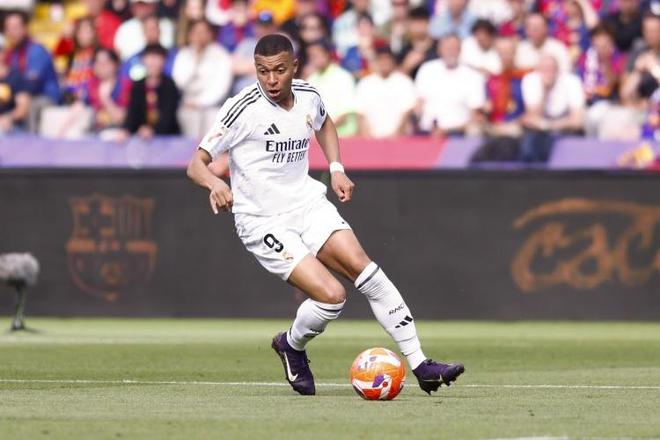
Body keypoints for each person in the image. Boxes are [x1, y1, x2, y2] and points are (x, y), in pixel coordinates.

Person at [186, 34, 464, 396]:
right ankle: (291, 344)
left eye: (279, 70)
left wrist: (336, 168)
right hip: (262, 219)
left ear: (294, 67)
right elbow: (196, 164)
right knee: (332, 296)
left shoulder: (308, 95)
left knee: (367, 271)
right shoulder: (242, 108)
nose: (271, 80)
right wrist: (214, 183)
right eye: (263, 71)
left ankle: (421, 365)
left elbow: (326, 124)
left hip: (307, 203)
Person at [415, 33, 485, 136]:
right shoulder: (427, 69)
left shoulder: (473, 76)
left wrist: (448, 131)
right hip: (427, 133)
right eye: (447, 48)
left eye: (454, 48)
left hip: (458, 135)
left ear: (460, 50)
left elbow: (476, 115)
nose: (450, 52)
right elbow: (418, 104)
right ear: (439, 50)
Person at [172, 19, 232, 139]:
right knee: (187, 116)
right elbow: (179, 83)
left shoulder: (221, 55)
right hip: (188, 104)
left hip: (213, 106)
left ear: (210, 34)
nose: (199, 36)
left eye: (203, 32)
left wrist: (200, 103)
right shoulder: (183, 54)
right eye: (196, 32)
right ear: (190, 35)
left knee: (213, 119)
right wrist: (195, 59)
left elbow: (221, 87)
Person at [520, 53, 586, 162]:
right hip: (540, 132)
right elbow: (532, 118)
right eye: (544, 69)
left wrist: (547, 125)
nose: (548, 73)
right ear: (538, 70)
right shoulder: (530, 80)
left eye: (551, 69)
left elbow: (577, 121)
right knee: (529, 146)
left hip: (566, 131)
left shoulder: (572, 81)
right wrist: (545, 91)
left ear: (558, 69)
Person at [355, 44, 416, 137]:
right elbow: (361, 114)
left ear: (393, 61)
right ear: (375, 61)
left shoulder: (404, 82)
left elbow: (407, 112)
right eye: (380, 59)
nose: (384, 62)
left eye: (387, 59)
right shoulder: (365, 84)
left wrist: (394, 136)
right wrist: (367, 138)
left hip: (398, 139)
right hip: (371, 139)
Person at [122, 44, 180, 138]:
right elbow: (133, 113)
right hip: (141, 136)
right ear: (143, 60)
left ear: (164, 60)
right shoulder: (138, 85)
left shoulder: (169, 85)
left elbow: (169, 115)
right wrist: (127, 130)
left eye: (157, 58)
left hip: (166, 136)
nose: (153, 62)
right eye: (149, 57)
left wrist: (153, 131)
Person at [306, 39, 358, 137]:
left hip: (343, 137)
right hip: (319, 139)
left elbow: (346, 112)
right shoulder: (311, 80)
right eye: (311, 56)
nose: (313, 59)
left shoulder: (343, 77)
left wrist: (323, 131)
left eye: (316, 55)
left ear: (327, 54)